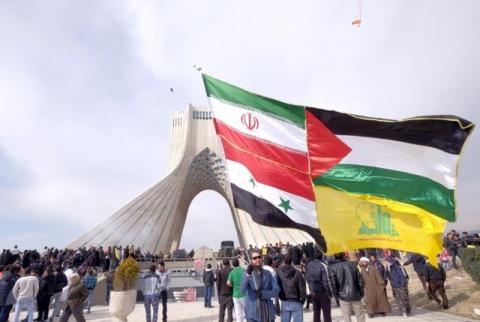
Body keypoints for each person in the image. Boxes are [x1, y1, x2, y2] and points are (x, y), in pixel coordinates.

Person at [241, 252, 280, 322]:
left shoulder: (268, 273)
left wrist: (263, 294)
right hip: (253, 313)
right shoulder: (247, 274)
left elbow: (276, 291)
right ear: (251, 261)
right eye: (254, 258)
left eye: (259, 257)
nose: (257, 259)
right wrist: (247, 274)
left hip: (267, 311)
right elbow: (242, 290)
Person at [329, 253, 365, 322]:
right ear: (343, 255)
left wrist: (336, 297)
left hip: (343, 296)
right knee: (360, 315)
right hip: (355, 294)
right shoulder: (353, 265)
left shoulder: (333, 268)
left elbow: (333, 285)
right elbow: (360, 281)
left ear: (334, 257)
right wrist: (361, 293)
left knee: (346, 317)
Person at [277, 254, 306, 322]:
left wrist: (280, 296)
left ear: (283, 261)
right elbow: (302, 287)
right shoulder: (297, 272)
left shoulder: (279, 272)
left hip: (285, 300)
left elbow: (278, 285)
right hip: (295, 300)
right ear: (292, 261)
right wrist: (303, 299)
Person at [306, 251, 332, 322]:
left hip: (314, 291)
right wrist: (329, 293)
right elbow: (326, 281)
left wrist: (311, 289)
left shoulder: (309, 264)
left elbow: (307, 278)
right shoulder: (323, 265)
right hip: (323, 292)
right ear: (322, 256)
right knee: (326, 314)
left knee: (316, 313)